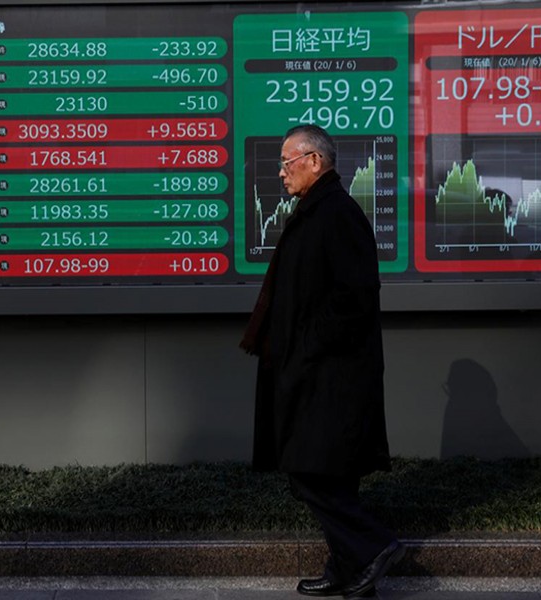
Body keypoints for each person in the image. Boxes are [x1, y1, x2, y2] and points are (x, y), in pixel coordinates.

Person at [240, 124, 404, 598]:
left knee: (308, 470)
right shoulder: (319, 210)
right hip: (320, 373)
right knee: (331, 475)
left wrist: (305, 346)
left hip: (331, 377)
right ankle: (350, 571)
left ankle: (372, 547)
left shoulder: (337, 214)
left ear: (315, 161)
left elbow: (353, 299)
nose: (282, 172)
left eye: (288, 162)